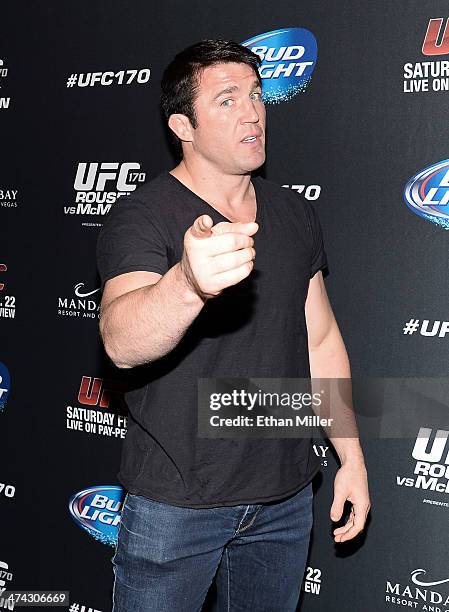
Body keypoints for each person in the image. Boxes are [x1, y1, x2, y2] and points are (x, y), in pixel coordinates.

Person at [96, 39, 371, 612]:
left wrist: (351, 457)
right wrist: (187, 283)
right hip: (176, 507)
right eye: (226, 100)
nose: (252, 111)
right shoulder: (142, 215)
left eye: (255, 94)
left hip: (286, 502)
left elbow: (319, 339)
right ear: (183, 126)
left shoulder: (294, 212)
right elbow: (121, 342)